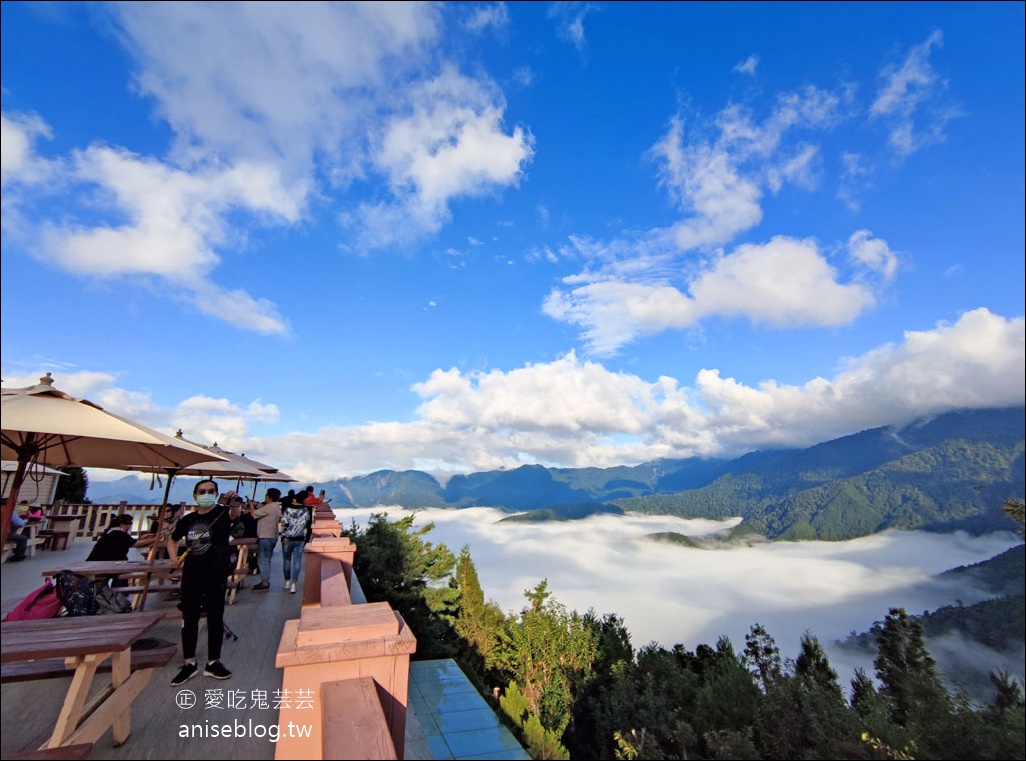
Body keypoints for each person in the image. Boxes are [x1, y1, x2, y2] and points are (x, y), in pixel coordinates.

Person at [167, 480, 241, 686]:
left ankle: (213, 662)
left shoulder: (222, 514)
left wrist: (234, 502)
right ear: (195, 496)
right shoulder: (188, 520)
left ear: (217, 495)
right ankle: (189, 662)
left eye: (211, 492)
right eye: (202, 492)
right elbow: (172, 539)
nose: (206, 494)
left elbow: (234, 515)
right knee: (189, 618)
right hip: (191, 574)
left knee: (215, 618)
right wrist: (174, 557)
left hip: (216, 574)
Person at [279, 494, 313, 594]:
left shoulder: (288, 510)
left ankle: (286, 581)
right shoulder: (306, 511)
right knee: (297, 561)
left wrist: (283, 536)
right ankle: (294, 584)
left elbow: (284, 523)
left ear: (294, 499)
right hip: (300, 538)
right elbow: (307, 523)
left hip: (288, 538)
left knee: (287, 560)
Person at [250, 487, 282, 592]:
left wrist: (251, 505)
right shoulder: (276, 506)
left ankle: (265, 582)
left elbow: (253, 514)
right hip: (272, 536)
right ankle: (265, 580)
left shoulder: (269, 507)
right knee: (267, 559)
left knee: (262, 560)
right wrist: (257, 505)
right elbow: (262, 509)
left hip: (265, 536)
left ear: (269, 497)